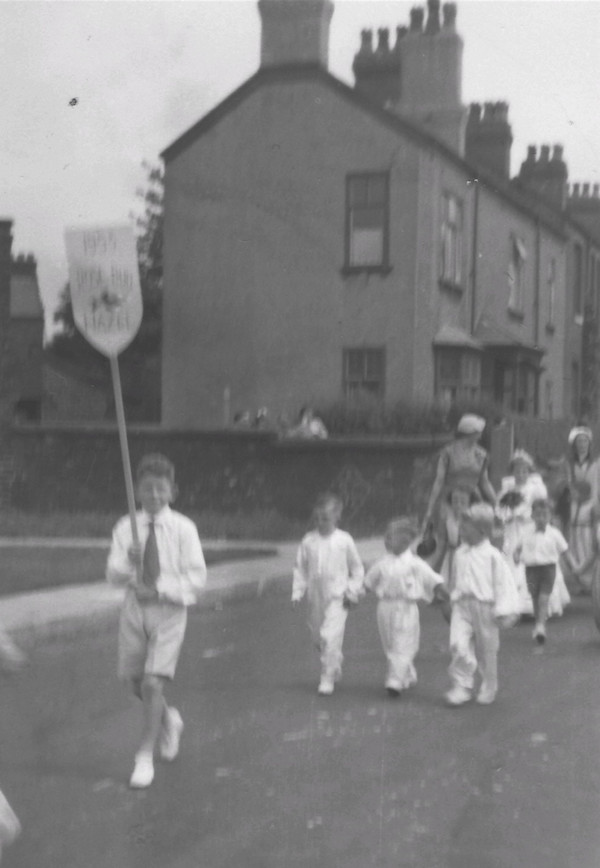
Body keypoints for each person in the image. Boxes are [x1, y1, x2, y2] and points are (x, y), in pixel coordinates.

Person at [106, 453, 207, 789]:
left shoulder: (183, 529)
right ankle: (169, 719)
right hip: (135, 610)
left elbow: (197, 578)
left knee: (152, 684)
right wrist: (128, 562)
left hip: (169, 612)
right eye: (147, 489)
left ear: (172, 492)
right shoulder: (125, 527)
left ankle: (144, 756)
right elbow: (113, 575)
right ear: (137, 491)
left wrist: (161, 588)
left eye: (160, 490)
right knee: (136, 683)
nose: (153, 496)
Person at [445, 503, 520, 707]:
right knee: (457, 644)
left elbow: (502, 583)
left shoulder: (492, 555)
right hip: (462, 606)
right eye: (461, 526)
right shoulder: (459, 553)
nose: (461, 530)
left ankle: (489, 686)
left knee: (487, 650)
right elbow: (455, 579)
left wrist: (503, 609)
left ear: (482, 531)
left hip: (485, 607)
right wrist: (451, 597)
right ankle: (462, 685)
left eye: (465, 527)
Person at [364, 517, 448, 697]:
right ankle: (406, 673)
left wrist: (441, 590)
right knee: (390, 644)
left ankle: (394, 681)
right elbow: (369, 581)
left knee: (403, 643)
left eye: (390, 537)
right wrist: (354, 595)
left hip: (406, 608)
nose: (386, 541)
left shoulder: (415, 563)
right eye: (385, 537)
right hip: (385, 607)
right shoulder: (382, 563)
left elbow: (431, 578)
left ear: (404, 541)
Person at [291, 492, 364, 695]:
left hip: (338, 597)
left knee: (329, 635)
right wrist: (297, 591)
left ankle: (327, 677)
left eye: (326, 519)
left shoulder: (344, 540)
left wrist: (352, 590)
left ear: (336, 517)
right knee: (318, 638)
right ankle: (334, 662)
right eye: (317, 518)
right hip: (316, 596)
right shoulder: (309, 541)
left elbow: (357, 569)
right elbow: (300, 567)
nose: (321, 523)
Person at [497, 449, 570, 617]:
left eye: (524, 470)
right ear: (512, 471)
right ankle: (513, 604)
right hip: (512, 531)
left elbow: (541, 508)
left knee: (531, 560)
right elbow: (500, 508)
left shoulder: (534, 488)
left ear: (529, 472)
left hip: (528, 529)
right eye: (517, 470)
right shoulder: (507, 489)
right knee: (510, 559)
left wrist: (527, 516)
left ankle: (536, 604)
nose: (520, 474)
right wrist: (506, 516)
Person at [421, 414, 496, 537]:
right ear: (469, 432)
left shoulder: (481, 455)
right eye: (478, 431)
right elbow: (439, 481)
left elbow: (485, 482)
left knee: (473, 532)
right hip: (451, 499)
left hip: (472, 499)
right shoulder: (448, 453)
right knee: (448, 533)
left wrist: (497, 503)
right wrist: (430, 507)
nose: (480, 434)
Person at [514, 498, 576, 646]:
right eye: (538, 515)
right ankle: (538, 623)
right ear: (532, 516)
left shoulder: (554, 533)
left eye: (544, 515)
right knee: (535, 597)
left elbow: (565, 552)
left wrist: (576, 568)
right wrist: (516, 556)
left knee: (543, 598)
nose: (541, 518)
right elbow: (517, 549)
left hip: (548, 569)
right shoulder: (526, 532)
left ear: (550, 516)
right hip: (531, 569)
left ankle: (541, 627)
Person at [565, 426, 598, 593]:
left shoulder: (596, 463)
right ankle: (579, 580)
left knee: (589, 540)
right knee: (575, 538)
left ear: (589, 444)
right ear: (574, 444)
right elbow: (569, 483)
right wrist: (574, 494)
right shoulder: (570, 464)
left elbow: (596, 485)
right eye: (579, 441)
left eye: (585, 441)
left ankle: (592, 580)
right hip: (575, 502)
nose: (582, 444)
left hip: (591, 502)